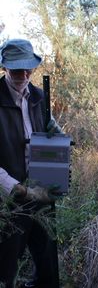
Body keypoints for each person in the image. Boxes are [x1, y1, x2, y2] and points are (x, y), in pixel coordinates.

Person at [0, 39, 62, 288]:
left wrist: (59, 138)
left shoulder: (38, 96)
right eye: (17, 69)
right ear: (4, 67)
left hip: (42, 195)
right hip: (8, 201)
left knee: (48, 263)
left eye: (29, 68)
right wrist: (18, 189)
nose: (24, 74)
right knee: (5, 268)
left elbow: (51, 135)